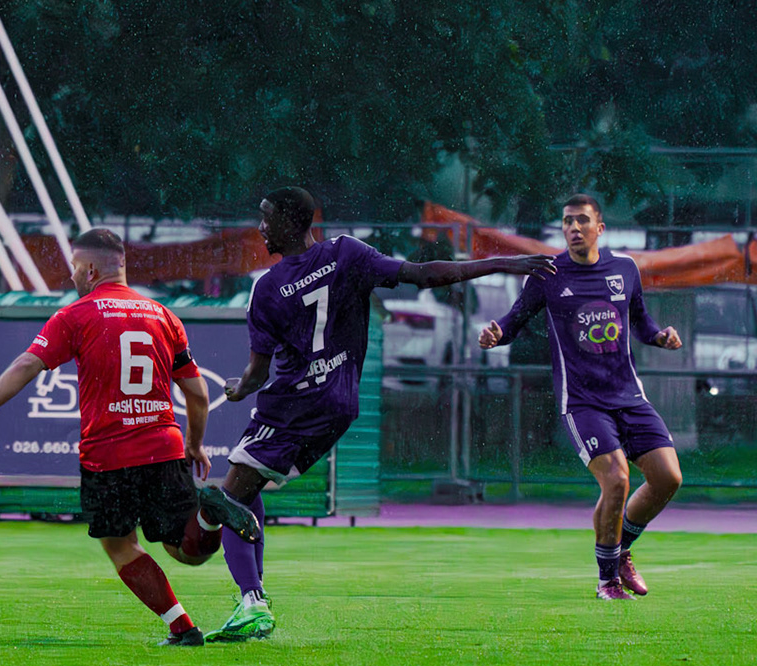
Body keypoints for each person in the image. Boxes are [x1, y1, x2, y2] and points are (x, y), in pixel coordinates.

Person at [210, 187, 558, 641]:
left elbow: (257, 374)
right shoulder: (347, 253)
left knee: (228, 499)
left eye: (266, 218)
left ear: (294, 223)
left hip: (293, 403)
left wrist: (239, 388)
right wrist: (499, 263)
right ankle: (253, 598)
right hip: (339, 404)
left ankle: (251, 602)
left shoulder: (268, 287)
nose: (260, 227)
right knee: (247, 487)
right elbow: (424, 275)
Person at [0, 229, 261, 646]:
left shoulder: (76, 315)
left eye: (76, 269)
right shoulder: (163, 315)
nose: (74, 277)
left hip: (108, 456)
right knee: (187, 550)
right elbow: (197, 393)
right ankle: (209, 515)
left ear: (91, 268)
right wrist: (195, 443)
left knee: (120, 546)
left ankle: (182, 627)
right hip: (163, 447)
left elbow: (29, 363)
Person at [479, 194, 683, 600]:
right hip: (582, 402)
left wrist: (660, 336)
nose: (573, 228)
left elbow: (641, 322)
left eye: (582, 221)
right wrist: (496, 333)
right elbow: (515, 319)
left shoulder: (624, 269)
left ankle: (621, 549)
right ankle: (607, 581)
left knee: (668, 478)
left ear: (599, 228)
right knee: (617, 479)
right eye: (567, 222)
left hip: (629, 396)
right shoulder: (549, 274)